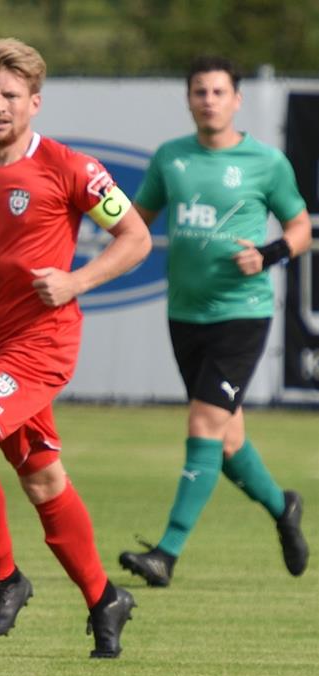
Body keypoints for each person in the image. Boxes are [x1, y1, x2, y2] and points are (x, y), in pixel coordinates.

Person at [0, 38, 152, 657]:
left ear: (34, 102)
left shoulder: (72, 168)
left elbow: (136, 237)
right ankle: (105, 600)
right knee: (44, 482)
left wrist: (76, 280)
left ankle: (5, 578)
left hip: (41, 346)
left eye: (11, 96)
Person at [118, 56, 311, 587]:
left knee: (203, 426)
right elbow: (136, 223)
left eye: (218, 91)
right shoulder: (170, 158)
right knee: (225, 443)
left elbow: (299, 226)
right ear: (188, 99)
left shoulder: (265, 162)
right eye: (199, 91)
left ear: (236, 100)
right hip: (185, 316)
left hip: (241, 315)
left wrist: (269, 255)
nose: (209, 99)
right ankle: (283, 506)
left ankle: (167, 553)